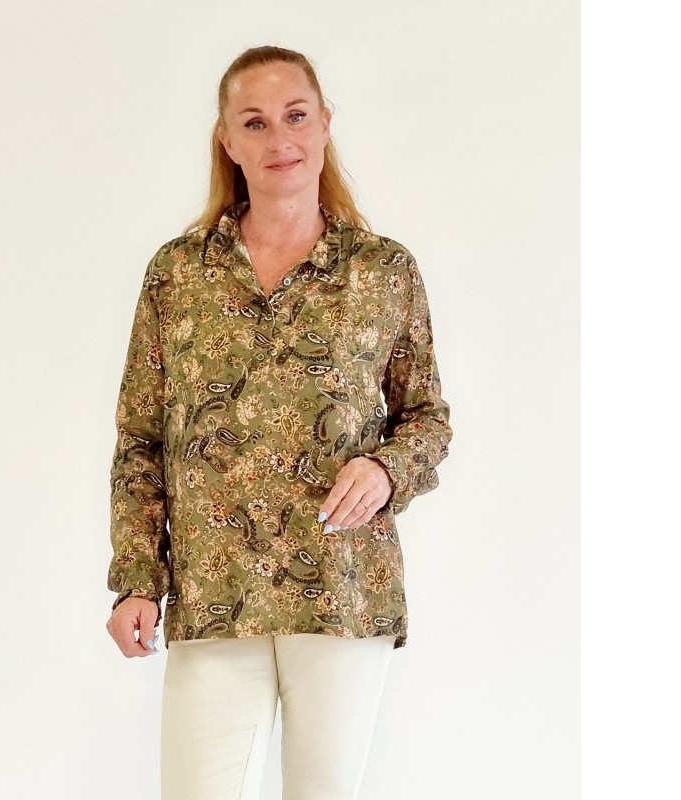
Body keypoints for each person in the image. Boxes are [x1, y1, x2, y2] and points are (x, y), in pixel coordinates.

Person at [105, 44, 452, 800]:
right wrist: (136, 580)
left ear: (324, 124)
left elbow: (427, 419)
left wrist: (385, 468)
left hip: (341, 589)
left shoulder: (382, 270)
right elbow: (140, 441)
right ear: (227, 140)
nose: (279, 139)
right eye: (255, 122)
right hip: (212, 591)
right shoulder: (178, 273)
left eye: (295, 116)